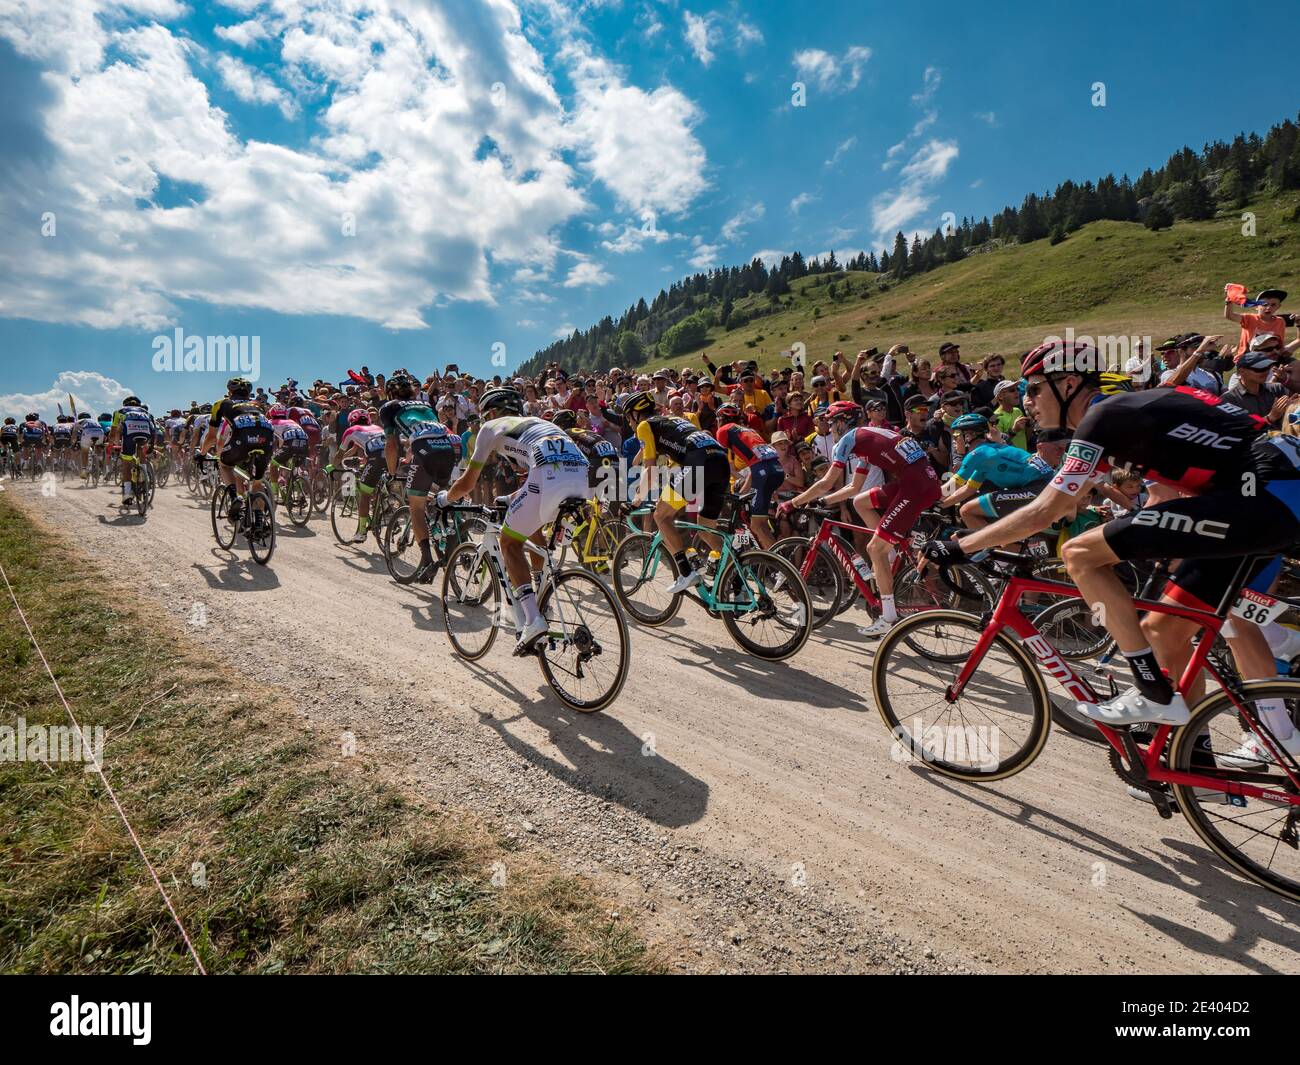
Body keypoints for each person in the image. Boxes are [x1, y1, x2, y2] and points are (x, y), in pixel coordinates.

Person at [925, 339, 1300, 752]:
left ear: (1068, 383)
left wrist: (960, 546)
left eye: (1034, 389)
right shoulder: (1128, 411)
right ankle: (1210, 757)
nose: (1029, 403)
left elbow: (1046, 510)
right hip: (1269, 495)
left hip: (1265, 495)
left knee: (1079, 554)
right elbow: (1165, 493)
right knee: (1164, 630)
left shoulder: (1103, 417)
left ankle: (1151, 690)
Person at [436, 388, 590, 651]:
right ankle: (542, 591)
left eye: (485, 416)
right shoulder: (540, 422)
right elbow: (540, 471)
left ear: (491, 413)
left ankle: (532, 620)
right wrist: (511, 498)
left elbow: (468, 482)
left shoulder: (490, 428)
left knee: (509, 543)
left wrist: (446, 498)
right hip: (582, 475)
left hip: (548, 474)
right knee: (531, 528)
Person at [779, 400, 942, 636]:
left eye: (832, 422)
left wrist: (793, 502)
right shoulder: (866, 438)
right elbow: (855, 487)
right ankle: (891, 551)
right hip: (921, 480)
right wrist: (824, 501)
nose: (831, 427)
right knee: (861, 502)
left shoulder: (849, 440)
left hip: (914, 485)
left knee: (874, 549)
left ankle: (888, 616)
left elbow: (825, 482)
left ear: (842, 422)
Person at [621, 390, 729, 595]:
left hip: (699, 462)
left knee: (661, 515)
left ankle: (686, 572)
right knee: (706, 528)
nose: (629, 423)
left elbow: (650, 468)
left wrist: (635, 501)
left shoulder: (645, 426)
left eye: (628, 418)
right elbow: (675, 466)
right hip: (720, 461)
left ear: (636, 414)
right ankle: (736, 577)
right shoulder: (670, 422)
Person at [379, 372, 461, 578]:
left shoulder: (389, 407)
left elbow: (391, 445)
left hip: (427, 449)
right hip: (448, 447)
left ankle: (426, 560)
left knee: (416, 505)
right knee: (443, 498)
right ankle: (457, 538)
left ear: (390, 393)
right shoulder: (425, 406)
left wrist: (391, 472)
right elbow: (424, 434)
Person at [199, 377, 274, 529]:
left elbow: (212, 437)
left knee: (225, 464)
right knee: (256, 482)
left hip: (243, 438)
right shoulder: (257, 405)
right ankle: (259, 521)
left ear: (229, 391)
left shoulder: (221, 403)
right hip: (267, 439)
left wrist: (201, 454)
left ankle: (234, 498)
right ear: (248, 394)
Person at [713, 405, 784, 549]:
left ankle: (780, 568)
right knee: (758, 520)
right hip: (776, 469)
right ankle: (767, 557)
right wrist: (743, 490)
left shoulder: (723, 430)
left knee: (757, 526)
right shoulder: (749, 431)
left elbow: (718, 459)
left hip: (763, 471)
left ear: (720, 419)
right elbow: (758, 462)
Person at [107, 396, 158, 508]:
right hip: (147, 433)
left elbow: (114, 431)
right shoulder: (145, 412)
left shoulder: (119, 411)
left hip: (130, 433)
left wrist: (111, 444)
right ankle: (144, 475)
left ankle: (127, 493)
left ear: (125, 405)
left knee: (126, 463)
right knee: (140, 449)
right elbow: (154, 429)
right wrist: (152, 445)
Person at [1225, 288, 1289, 355]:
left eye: (1273, 305)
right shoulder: (1249, 318)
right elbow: (1230, 316)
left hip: (1273, 355)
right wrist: (1229, 301)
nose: (1269, 307)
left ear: (1278, 306)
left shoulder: (1280, 321)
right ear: (1256, 306)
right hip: (1249, 356)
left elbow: (1280, 343)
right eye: (1264, 304)